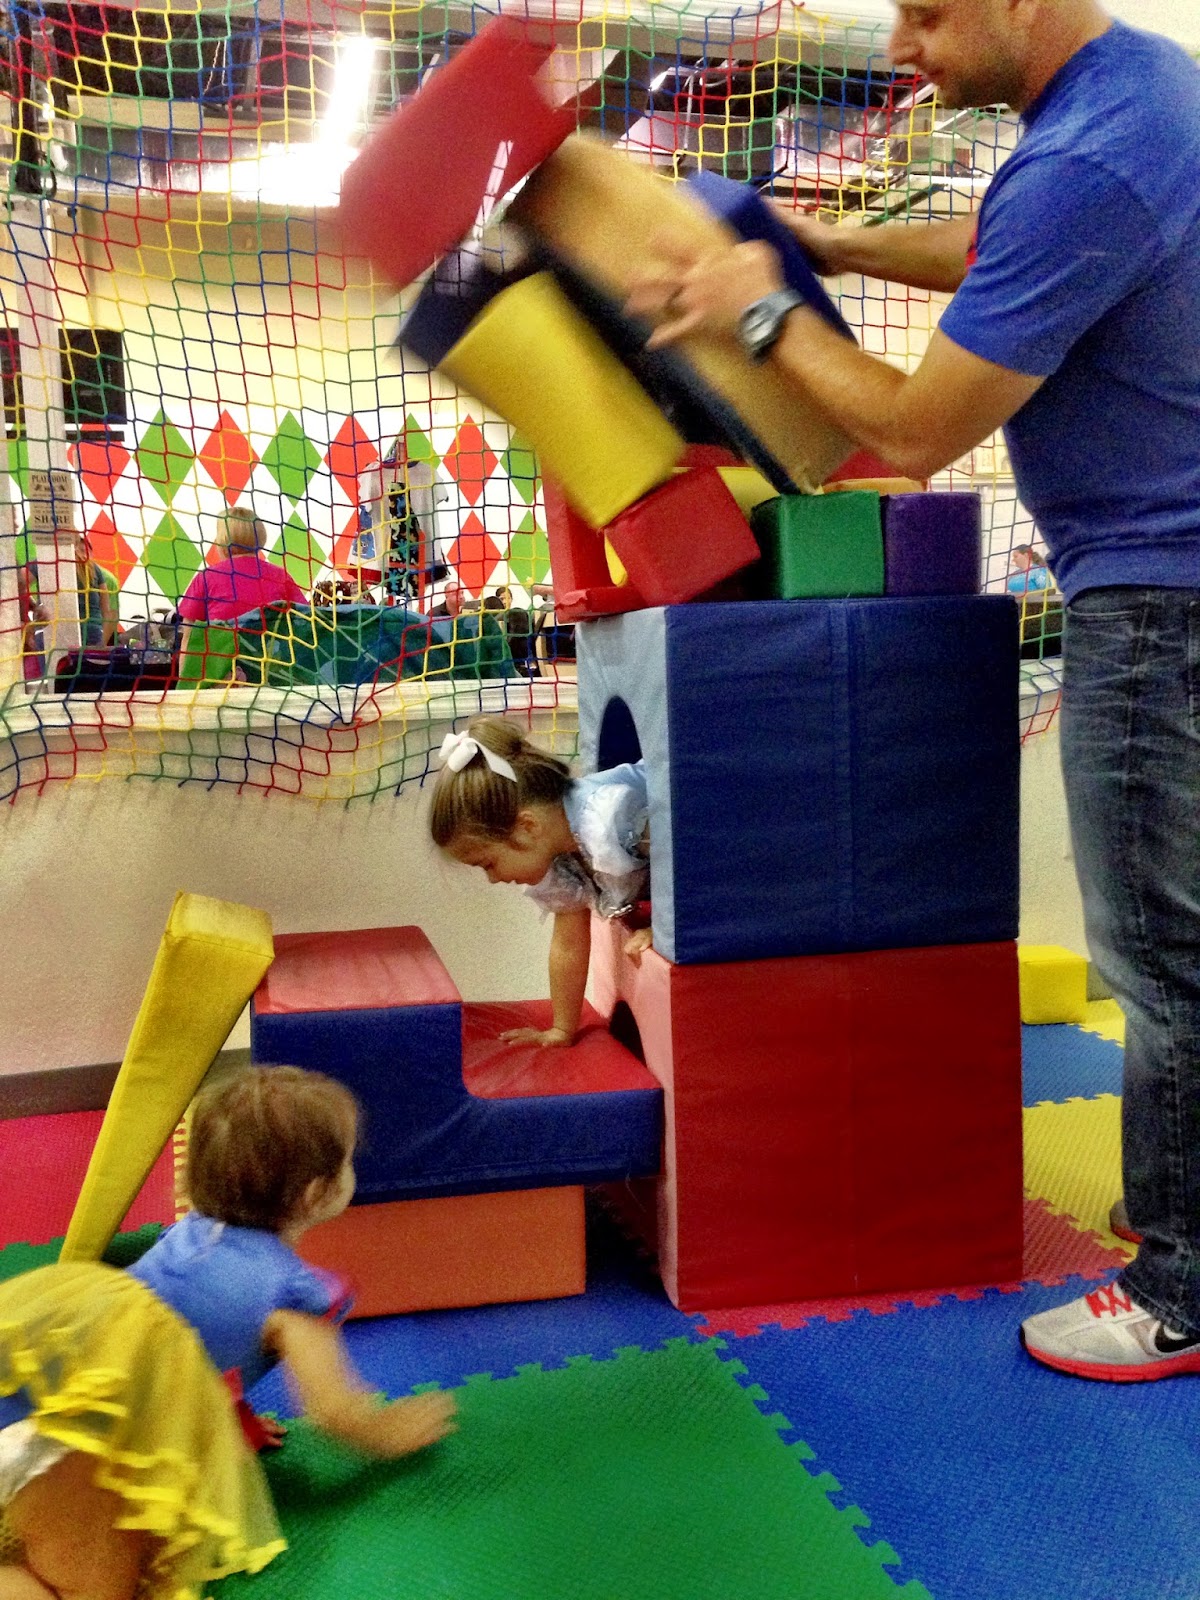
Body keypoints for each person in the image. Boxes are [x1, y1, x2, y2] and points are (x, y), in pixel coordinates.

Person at [630, 1, 1200, 1380]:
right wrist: (831, 247)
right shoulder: (1135, 97)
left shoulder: (1086, 156)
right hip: (1169, 582)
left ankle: (1183, 1285)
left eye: (929, 13)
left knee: (1157, 957)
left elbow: (912, 429)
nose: (903, 48)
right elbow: (1004, 248)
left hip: (1157, 595)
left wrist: (759, 306)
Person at [0, 1065, 456, 1599]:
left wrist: (226, 1420)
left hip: (37, 1403)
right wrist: (392, 1431)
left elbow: (180, 1342)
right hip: (74, 1451)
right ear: (318, 1193)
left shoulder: (190, 1237)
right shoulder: (292, 1298)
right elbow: (335, 1411)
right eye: (348, 1160)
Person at [430, 718, 652, 1047]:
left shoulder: (609, 818)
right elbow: (568, 944)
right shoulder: (560, 857)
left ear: (528, 828)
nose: (493, 879)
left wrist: (666, 928)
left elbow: (690, 853)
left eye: (488, 864)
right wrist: (562, 1030)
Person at [176, 508, 306, 626]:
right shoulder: (280, 576)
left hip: (224, 644)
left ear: (222, 539)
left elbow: (189, 629)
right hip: (272, 644)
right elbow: (305, 617)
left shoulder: (206, 577)